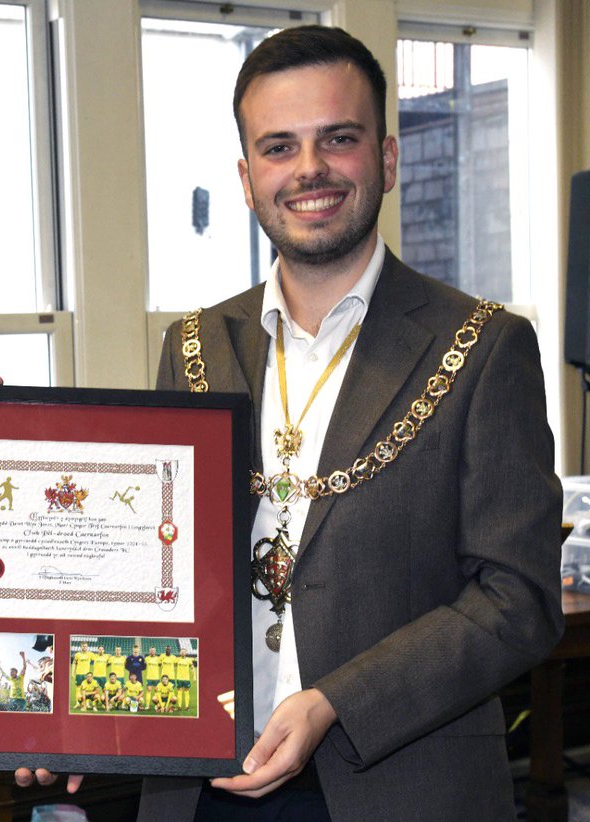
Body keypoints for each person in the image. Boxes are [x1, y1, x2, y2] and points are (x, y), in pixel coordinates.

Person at [140, 25, 562, 822]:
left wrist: (336, 700)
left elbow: (520, 598)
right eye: (278, 147)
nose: (308, 170)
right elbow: (157, 569)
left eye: (337, 139)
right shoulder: (192, 347)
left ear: (387, 158)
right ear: (245, 176)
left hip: (401, 788)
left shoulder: (482, 347)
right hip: (199, 791)